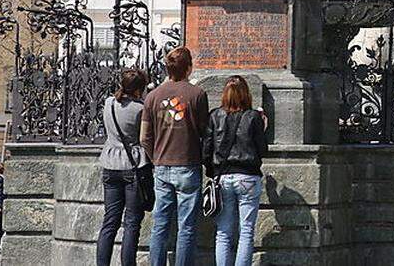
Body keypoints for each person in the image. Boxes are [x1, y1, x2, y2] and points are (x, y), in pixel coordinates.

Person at [141, 48, 209, 266]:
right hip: (188, 164)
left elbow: (144, 137)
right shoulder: (197, 94)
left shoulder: (152, 96)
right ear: (189, 68)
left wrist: (155, 158)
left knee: (160, 225)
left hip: (161, 165)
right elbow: (203, 131)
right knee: (187, 226)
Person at [203, 76, 268, 265]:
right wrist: (263, 128)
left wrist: (211, 172)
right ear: (246, 94)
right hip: (247, 176)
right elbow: (262, 150)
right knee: (246, 232)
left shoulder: (215, 116)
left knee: (223, 233)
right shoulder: (253, 117)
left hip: (222, 176)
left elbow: (206, 149)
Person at [97, 68, 149, 266]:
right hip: (133, 165)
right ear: (139, 89)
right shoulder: (140, 108)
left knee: (110, 221)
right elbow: (143, 137)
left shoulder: (108, 103)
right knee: (131, 223)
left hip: (110, 164)